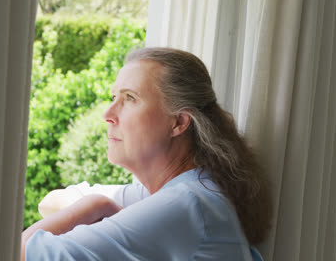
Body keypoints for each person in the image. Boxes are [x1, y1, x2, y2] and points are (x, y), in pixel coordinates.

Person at [21, 47, 272, 261]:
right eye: (113, 97)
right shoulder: (185, 189)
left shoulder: (186, 203)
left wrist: (94, 206)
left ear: (178, 123)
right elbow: (52, 200)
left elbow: (19, 253)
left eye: (130, 98)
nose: (107, 114)